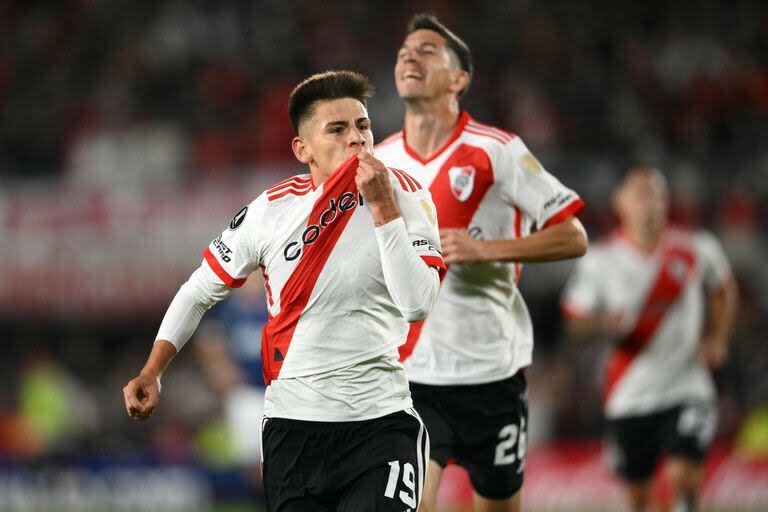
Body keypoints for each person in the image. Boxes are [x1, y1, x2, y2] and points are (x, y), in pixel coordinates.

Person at [123, 70, 446, 511]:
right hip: (293, 433)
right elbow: (199, 289)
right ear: (303, 149)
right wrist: (153, 369)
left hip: (381, 425)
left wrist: (384, 209)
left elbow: (417, 304)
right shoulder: (271, 211)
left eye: (363, 125)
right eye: (337, 129)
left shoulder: (408, 196)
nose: (356, 138)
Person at [375, 14, 588, 512]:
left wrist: (485, 250)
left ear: (459, 78)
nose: (410, 56)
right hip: (411, 375)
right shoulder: (382, 162)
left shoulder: (498, 151)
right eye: (405, 51)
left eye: (428, 51)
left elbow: (573, 235)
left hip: (491, 371)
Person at [561, 165, 737, 512]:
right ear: (620, 202)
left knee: (683, 478)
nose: (651, 203)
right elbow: (573, 322)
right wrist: (601, 324)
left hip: (687, 386)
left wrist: (718, 338)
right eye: (641, 194)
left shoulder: (694, 248)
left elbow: (722, 287)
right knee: (639, 499)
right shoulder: (601, 260)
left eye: (657, 194)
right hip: (630, 394)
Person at [194, 274, 268, 469]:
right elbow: (208, 340)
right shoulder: (227, 309)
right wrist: (219, 369)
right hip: (246, 392)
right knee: (251, 461)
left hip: (278, 391)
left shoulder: (276, 304)